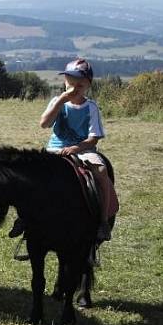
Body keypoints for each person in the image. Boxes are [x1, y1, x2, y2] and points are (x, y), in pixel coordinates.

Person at [38, 58, 118, 241]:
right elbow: (44, 123)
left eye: (79, 85)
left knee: (101, 170)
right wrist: (61, 101)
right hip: (54, 148)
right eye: (70, 83)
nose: (74, 88)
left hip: (83, 149)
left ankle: (104, 221)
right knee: (32, 173)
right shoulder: (57, 101)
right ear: (65, 82)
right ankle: (25, 219)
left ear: (88, 84)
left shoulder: (90, 107)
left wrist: (76, 148)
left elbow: (93, 138)